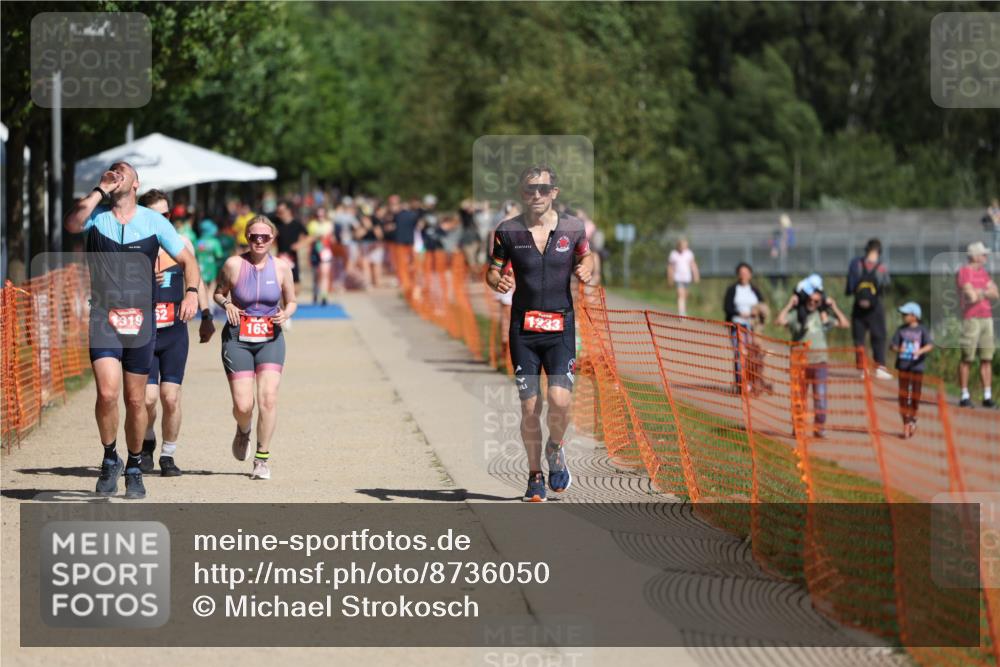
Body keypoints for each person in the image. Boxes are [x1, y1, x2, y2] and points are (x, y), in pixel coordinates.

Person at [64, 162, 201, 499]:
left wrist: (193, 292)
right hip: (104, 319)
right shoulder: (97, 216)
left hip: (141, 322)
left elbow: (188, 261)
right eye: (113, 171)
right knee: (108, 394)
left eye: (124, 172)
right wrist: (100, 189)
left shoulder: (154, 221)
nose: (117, 175)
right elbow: (72, 223)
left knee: (136, 400)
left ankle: (135, 465)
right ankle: (111, 457)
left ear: (137, 182)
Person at [486, 165, 594, 502]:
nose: (537, 195)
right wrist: (496, 280)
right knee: (530, 407)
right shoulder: (508, 231)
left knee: (560, 401)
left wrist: (588, 268)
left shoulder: (574, 229)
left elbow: (588, 258)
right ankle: (534, 476)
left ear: (554, 193)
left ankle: (554, 448)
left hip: (561, 327)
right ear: (522, 193)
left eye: (544, 189)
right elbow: (492, 269)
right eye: (530, 189)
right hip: (524, 330)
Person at [137, 190, 217, 476]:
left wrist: (206, 315)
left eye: (168, 215)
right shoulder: (133, 246)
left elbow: (197, 278)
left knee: (170, 397)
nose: (165, 221)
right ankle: (146, 442)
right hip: (143, 334)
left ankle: (168, 455)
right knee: (146, 399)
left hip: (174, 332)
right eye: (158, 216)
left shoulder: (181, 244)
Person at [214, 216, 298, 479]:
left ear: (273, 239)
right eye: (253, 236)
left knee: (268, 399)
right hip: (238, 337)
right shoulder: (233, 264)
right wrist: (226, 305)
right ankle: (244, 428)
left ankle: (261, 459)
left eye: (265, 237)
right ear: (246, 237)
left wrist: (286, 314)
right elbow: (218, 292)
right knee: (243, 405)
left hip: (270, 338)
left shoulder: (282, 267)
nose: (259, 241)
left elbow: (292, 300)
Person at [776, 278, 850, 438]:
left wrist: (833, 307)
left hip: (819, 363)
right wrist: (790, 304)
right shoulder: (796, 315)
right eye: (809, 300)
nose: (812, 303)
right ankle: (798, 427)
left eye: (816, 301)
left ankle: (819, 428)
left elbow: (845, 324)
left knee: (820, 398)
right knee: (799, 397)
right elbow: (779, 321)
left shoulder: (821, 316)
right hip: (799, 362)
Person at [957, 241, 998, 408]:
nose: (985, 257)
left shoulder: (983, 273)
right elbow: (970, 297)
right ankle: (964, 394)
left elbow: (996, 293)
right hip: (971, 319)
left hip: (986, 317)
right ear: (974, 256)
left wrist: (979, 292)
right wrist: (985, 292)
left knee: (987, 358)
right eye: (983, 254)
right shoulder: (964, 272)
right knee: (967, 358)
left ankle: (987, 395)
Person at [846, 238, 893, 380]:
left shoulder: (856, 264)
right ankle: (880, 367)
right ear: (879, 251)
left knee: (859, 338)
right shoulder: (882, 267)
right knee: (879, 336)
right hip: (875, 306)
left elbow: (849, 287)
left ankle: (862, 369)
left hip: (858, 305)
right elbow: (886, 286)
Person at [723, 262, 769, 394]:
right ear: (738, 274)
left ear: (750, 274)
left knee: (753, 356)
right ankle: (740, 383)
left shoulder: (754, 290)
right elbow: (727, 308)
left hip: (753, 327)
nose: (743, 275)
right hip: (737, 325)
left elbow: (762, 305)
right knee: (740, 353)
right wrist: (739, 313)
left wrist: (758, 313)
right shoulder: (732, 290)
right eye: (741, 273)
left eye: (746, 272)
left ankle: (752, 382)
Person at [890, 302, 934, 438]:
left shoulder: (922, 330)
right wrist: (898, 349)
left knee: (915, 395)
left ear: (915, 316)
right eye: (903, 314)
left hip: (917, 367)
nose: (903, 316)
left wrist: (920, 351)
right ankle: (906, 422)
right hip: (903, 366)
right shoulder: (901, 330)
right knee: (903, 395)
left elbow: (930, 345)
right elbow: (892, 345)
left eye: (906, 314)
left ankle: (913, 418)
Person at [273, 200, 309, 295]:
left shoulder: (296, 224)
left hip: (292, 257)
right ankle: (282, 304)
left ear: (288, 211)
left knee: (295, 283)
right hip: (280, 256)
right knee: (279, 281)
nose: (279, 214)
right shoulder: (276, 223)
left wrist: (300, 244)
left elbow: (309, 236)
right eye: (278, 212)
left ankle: (291, 301)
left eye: (281, 212)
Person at [667, 238, 699, 316]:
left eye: (685, 246)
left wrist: (696, 275)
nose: (683, 247)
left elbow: (693, 265)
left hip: (687, 278)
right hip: (678, 277)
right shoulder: (673, 254)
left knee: (685, 295)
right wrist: (670, 278)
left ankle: (683, 309)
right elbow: (670, 267)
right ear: (678, 246)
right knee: (680, 294)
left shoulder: (689, 253)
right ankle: (681, 312)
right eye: (682, 245)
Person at [194, 219, 225, 297]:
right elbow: (219, 255)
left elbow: (195, 254)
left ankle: (204, 301)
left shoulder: (197, 242)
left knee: (202, 285)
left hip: (200, 267)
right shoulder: (215, 242)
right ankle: (210, 302)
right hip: (212, 268)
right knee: (212, 285)